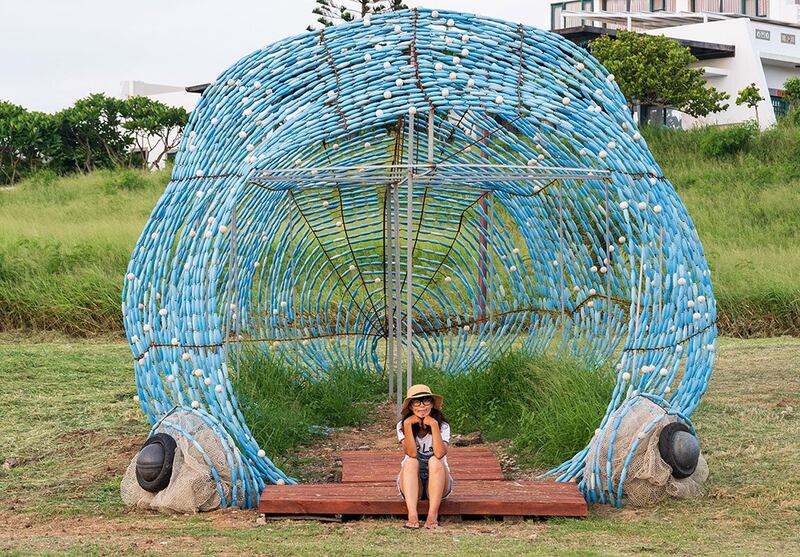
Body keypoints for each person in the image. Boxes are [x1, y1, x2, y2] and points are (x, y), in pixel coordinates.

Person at [396, 384, 453, 529]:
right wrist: (408, 426)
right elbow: (412, 453)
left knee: (434, 460)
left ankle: (432, 516)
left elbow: (440, 453)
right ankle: (412, 516)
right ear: (410, 406)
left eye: (426, 401)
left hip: (439, 479)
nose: (422, 406)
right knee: (410, 462)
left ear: (432, 404)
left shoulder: (442, 426)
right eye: (417, 402)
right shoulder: (402, 425)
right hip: (413, 481)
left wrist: (433, 425)